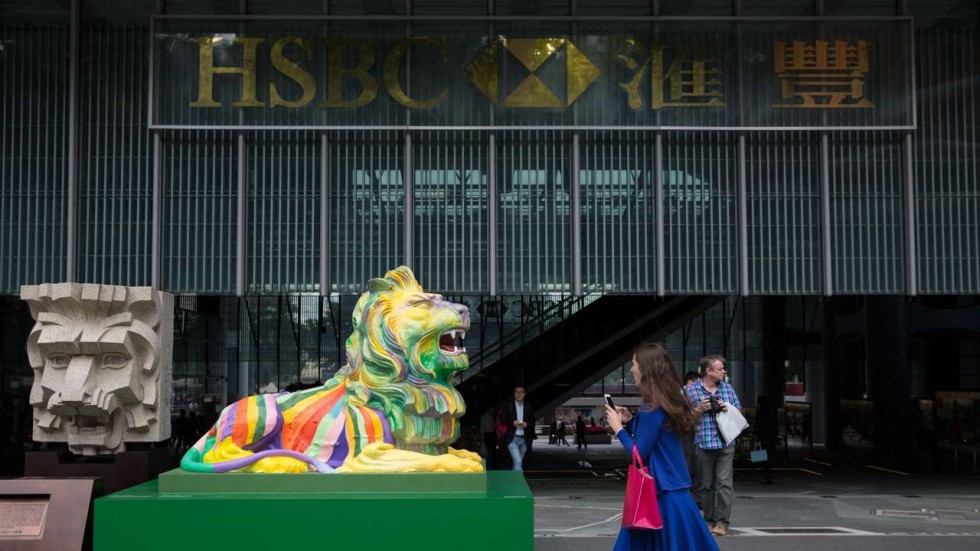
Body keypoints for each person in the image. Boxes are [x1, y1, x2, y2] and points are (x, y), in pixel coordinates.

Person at [605, 343, 720, 551]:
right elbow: (657, 437)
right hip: (675, 492)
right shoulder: (665, 402)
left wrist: (618, 429)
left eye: (634, 364)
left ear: (646, 369)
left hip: (660, 495)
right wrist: (631, 420)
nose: (631, 370)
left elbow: (639, 453)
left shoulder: (651, 408)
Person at [684, 354, 743, 537]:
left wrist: (727, 408)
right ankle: (709, 520)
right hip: (703, 443)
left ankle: (722, 522)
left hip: (726, 442)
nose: (724, 372)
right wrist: (700, 409)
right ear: (708, 371)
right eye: (720, 369)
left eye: (723, 368)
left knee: (724, 484)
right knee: (706, 485)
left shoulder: (727, 388)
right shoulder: (691, 391)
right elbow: (683, 418)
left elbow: (739, 411)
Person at [501, 386, 535, 471]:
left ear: (524, 394)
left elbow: (532, 421)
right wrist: (512, 422)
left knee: (517, 463)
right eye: (517, 392)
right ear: (514, 394)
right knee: (518, 461)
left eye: (521, 392)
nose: (519, 394)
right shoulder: (509, 405)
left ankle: (514, 478)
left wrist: (527, 424)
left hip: (524, 439)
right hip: (512, 438)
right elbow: (502, 419)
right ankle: (518, 478)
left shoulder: (528, 406)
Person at [681, 371, 701, 506]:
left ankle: (696, 498)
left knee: (695, 465)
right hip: (686, 434)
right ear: (689, 383)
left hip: (693, 434)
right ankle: (691, 498)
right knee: (689, 464)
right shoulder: (682, 396)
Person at [755, 396, 777, 484]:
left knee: (764, 457)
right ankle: (767, 475)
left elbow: (759, 425)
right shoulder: (769, 412)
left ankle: (766, 475)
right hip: (768, 438)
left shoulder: (761, 412)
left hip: (764, 438)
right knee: (767, 457)